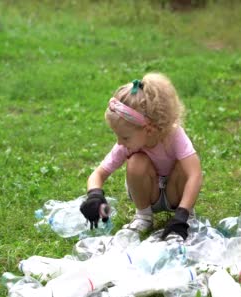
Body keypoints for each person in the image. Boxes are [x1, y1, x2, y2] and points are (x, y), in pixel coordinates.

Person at [80, 73, 203, 240]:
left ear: (149, 129)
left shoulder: (174, 136)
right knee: (137, 161)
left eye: (124, 137)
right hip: (149, 194)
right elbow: (98, 174)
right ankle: (144, 217)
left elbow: (195, 174)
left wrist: (182, 214)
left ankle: (186, 218)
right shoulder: (127, 145)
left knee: (186, 166)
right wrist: (94, 195)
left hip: (176, 194)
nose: (120, 142)